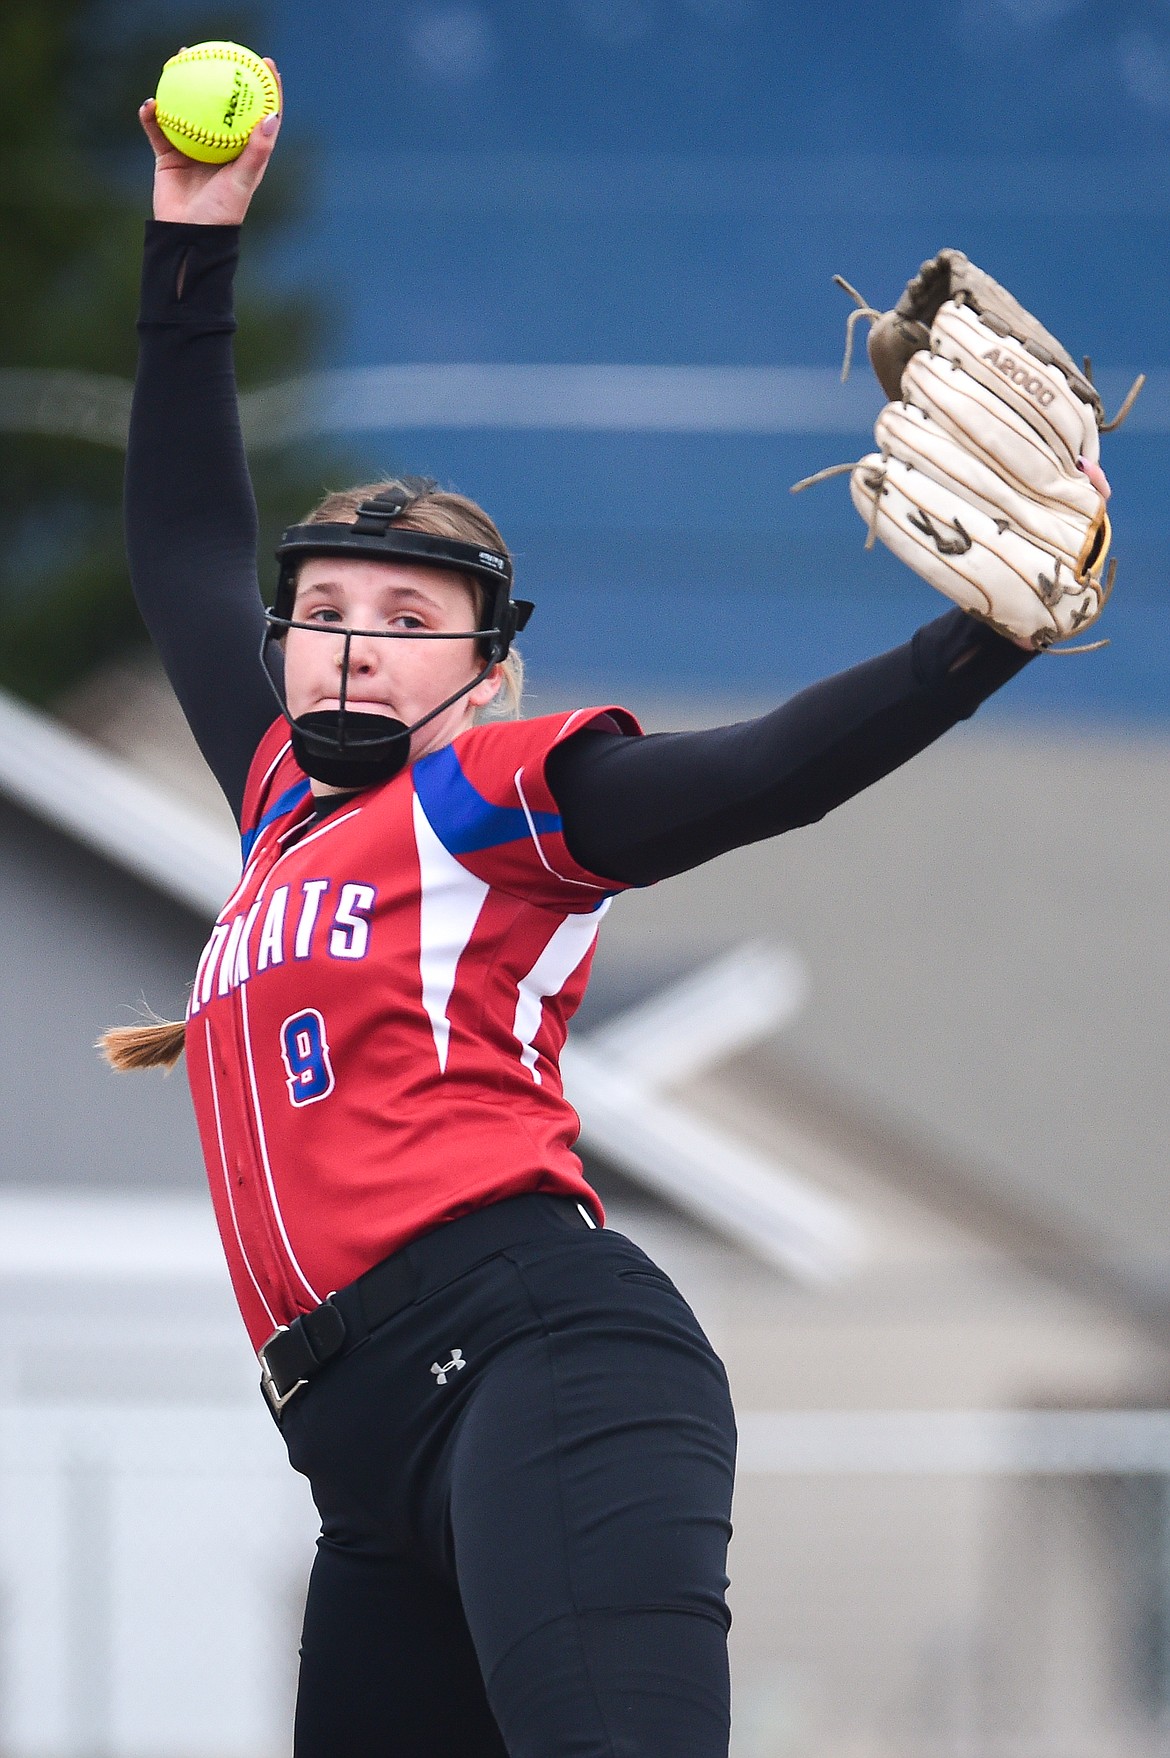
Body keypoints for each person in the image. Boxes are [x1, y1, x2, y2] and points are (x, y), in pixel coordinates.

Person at [112, 66, 1056, 1758]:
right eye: (322, 605)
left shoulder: (488, 802)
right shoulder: (274, 811)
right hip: (360, 1454)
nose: (348, 635)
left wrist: (974, 645)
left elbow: (766, 771)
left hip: (538, 1356)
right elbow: (185, 534)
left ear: (479, 674)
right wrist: (193, 242)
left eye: (406, 612)